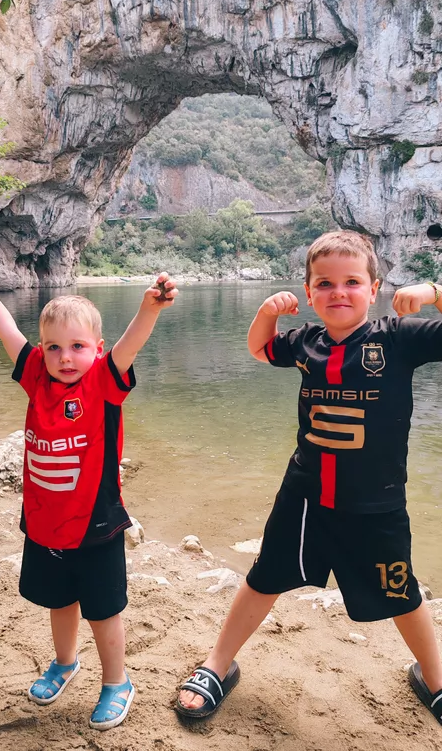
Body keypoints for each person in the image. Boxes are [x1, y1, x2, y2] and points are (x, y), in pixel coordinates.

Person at [176, 230, 442, 727]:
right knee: (263, 578)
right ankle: (218, 664)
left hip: (376, 503)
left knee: (403, 593)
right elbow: (259, 350)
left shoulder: (399, 337)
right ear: (309, 290)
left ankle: (435, 678)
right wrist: (267, 313)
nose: (338, 292)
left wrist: (433, 292)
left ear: (374, 287)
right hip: (305, 495)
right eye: (324, 283)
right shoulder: (305, 342)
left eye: (351, 282)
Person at [0, 268, 178, 730]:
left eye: (78, 346)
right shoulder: (36, 377)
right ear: (42, 352)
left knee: (104, 611)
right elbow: (6, 330)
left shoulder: (104, 381)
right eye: (54, 347)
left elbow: (131, 344)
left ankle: (116, 683)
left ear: (97, 350)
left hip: (96, 525)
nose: (65, 357)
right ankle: (65, 663)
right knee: (59, 601)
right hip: (45, 524)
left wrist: (150, 307)